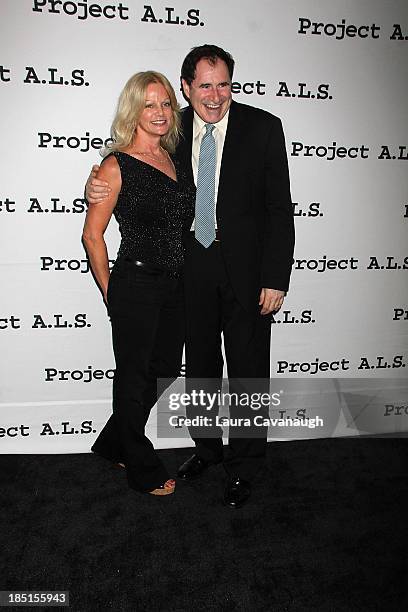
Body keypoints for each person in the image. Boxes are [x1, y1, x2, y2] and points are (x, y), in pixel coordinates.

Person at [86, 45, 295, 508]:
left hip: (247, 273)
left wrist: (275, 277)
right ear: (187, 87)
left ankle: (244, 467)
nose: (215, 95)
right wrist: (94, 181)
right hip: (189, 271)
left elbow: (280, 209)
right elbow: (132, 165)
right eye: (204, 85)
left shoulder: (263, 128)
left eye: (223, 84)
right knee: (199, 368)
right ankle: (206, 450)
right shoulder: (171, 127)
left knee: (247, 374)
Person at [82, 71, 194, 496]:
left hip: (177, 285)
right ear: (134, 109)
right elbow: (92, 235)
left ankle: (114, 441)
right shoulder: (115, 164)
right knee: (133, 377)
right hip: (137, 281)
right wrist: (112, 290)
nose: (160, 112)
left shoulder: (176, 159)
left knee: (162, 371)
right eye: (150, 104)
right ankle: (141, 465)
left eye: (166, 103)